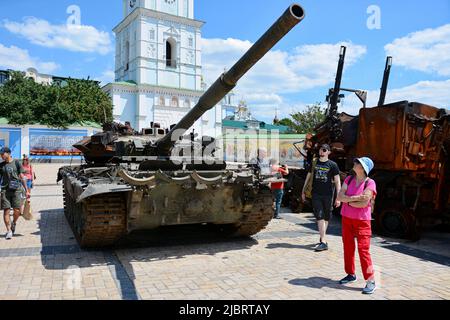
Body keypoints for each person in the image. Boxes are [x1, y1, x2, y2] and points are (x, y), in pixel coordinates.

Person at [336, 157, 377, 294]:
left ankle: (371, 281)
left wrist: (348, 200)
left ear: (363, 168)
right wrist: (354, 200)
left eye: (357, 163)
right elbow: (340, 196)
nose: (354, 163)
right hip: (347, 219)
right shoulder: (348, 179)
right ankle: (350, 274)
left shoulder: (370, 183)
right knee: (348, 247)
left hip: (362, 221)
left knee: (363, 251)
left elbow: (365, 201)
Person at [301, 144, 341, 252]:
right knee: (319, 216)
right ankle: (323, 241)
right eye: (320, 150)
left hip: (328, 195)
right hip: (316, 194)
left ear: (328, 152)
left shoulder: (333, 165)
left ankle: (322, 236)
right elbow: (308, 177)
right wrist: (303, 191)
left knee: (326, 217)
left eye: (324, 150)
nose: (321, 151)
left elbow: (337, 181)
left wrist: (338, 197)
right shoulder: (315, 163)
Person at [0, 147, 29, 240]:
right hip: (5, 190)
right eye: (0, 154)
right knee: (6, 210)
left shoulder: (16, 162)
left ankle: (14, 223)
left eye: (2, 154)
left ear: (8, 153)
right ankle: (8, 231)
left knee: (17, 211)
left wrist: (27, 190)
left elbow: (22, 177)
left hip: (16, 190)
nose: (1, 156)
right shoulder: (1, 165)